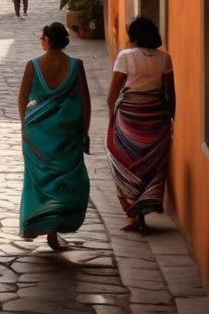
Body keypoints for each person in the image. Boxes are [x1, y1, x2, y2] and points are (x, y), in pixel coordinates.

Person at [18, 22, 91, 251]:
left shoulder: (33, 65)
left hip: (37, 133)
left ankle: (43, 224)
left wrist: (25, 126)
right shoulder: (75, 65)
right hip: (68, 134)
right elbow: (85, 101)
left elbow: (22, 99)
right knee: (66, 179)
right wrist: (85, 131)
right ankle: (55, 227)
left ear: (47, 40)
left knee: (39, 180)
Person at [106, 16, 175, 233]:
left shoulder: (125, 56)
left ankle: (132, 214)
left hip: (129, 117)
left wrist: (112, 117)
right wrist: (171, 119)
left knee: (123, 162)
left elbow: (112, 94)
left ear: (134, 36)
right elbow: (171, 94)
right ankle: (141, 216)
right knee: (151, 167)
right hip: (156, 117)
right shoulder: (164, 59)